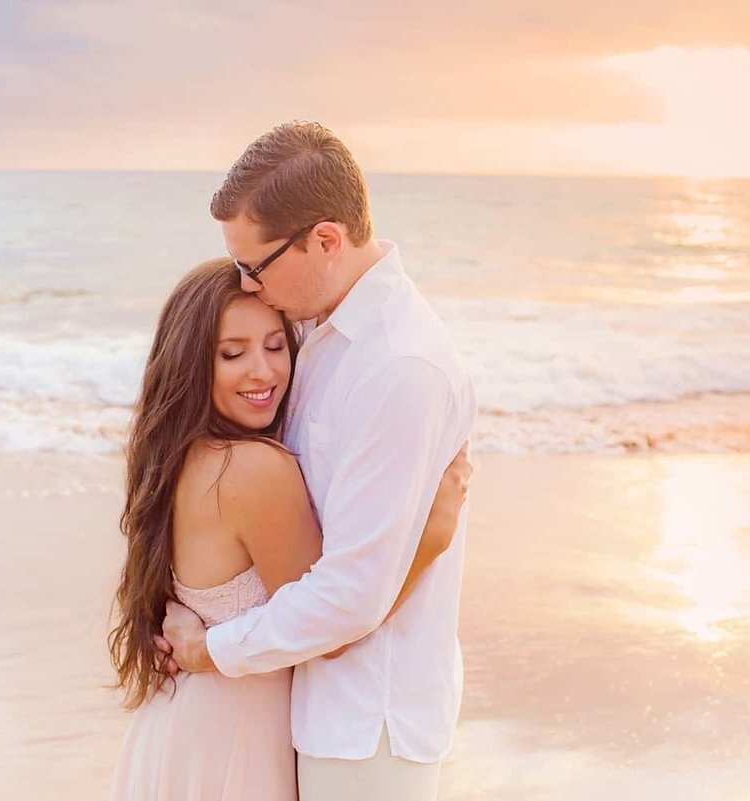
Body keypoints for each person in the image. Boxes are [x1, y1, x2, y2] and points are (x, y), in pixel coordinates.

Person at [160, 121, 476, 801]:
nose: (246, 283)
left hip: (367, 728)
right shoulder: (314, 330)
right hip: (310, 714)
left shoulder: (400, 367)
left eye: (256, 265)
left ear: (326, 240)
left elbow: (349, 595)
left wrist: (208, 648)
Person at [108, 258, 470, 801]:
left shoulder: (181, 457)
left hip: (182, 726)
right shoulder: (255, 471)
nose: (263, 371)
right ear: (189, 365)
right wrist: (432, 537)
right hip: (231, 741)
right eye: (233, 353)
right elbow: (337, 623)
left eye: (276, 346)